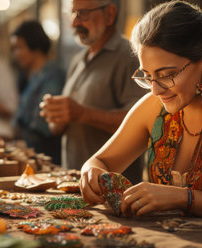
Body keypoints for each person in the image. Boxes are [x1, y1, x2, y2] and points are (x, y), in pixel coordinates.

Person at [79, 0, 202, 238]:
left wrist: (184, 198)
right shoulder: (154, 107)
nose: (155, 90)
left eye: (167, 75)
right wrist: (90, 172)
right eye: (147, 76)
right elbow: (99, 162)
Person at [40, 0, 146, 182]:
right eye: (73, 14)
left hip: (113, 189)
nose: (74, 22)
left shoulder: (129, 56)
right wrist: (57, 117)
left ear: (109, 14)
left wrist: (82, 114)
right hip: (75, 182)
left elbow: (140, 123)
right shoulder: (78, 60)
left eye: (83, 14)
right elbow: (64, 123)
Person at [11, 21, 65, 165]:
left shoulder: (53, 75)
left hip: (48, 158)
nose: (15, 54)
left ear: (35, 46)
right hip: (30, 157)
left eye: (19, 48)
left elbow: (44, 123)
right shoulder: (29, 76)